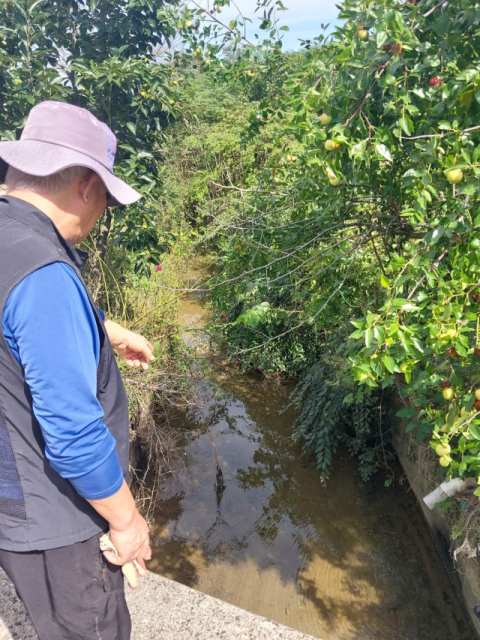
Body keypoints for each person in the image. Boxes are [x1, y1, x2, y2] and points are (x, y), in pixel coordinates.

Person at [0, 101, 154, 640]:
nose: (100, 215)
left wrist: (105, 330)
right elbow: (71, 433)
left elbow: (13, 325)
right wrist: (127, 522)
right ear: (87, 185)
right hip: (56, 518)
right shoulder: (45, 272)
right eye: (106, 200)